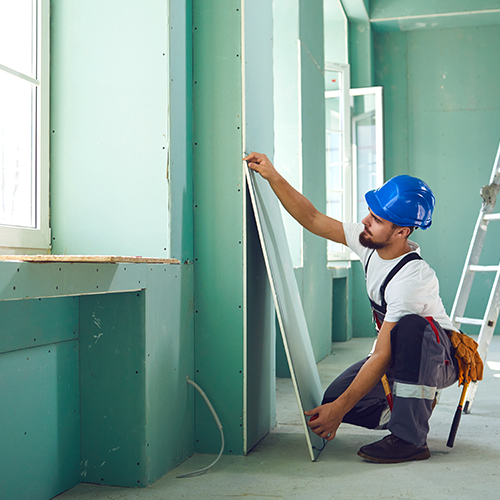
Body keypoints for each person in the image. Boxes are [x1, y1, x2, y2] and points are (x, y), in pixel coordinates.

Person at [244, 152, 459, 464]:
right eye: (370, 212)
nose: (365, 222)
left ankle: (410, 439)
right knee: (333, 400)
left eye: (377, 219)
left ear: (402, 232)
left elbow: (383, 352)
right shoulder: (368, 242)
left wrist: (340, 411)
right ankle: (405, 409)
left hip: (438, 357)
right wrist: (272, 175)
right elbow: (314, 219)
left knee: (412, 328)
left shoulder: (413, 279)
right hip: (401, 353)